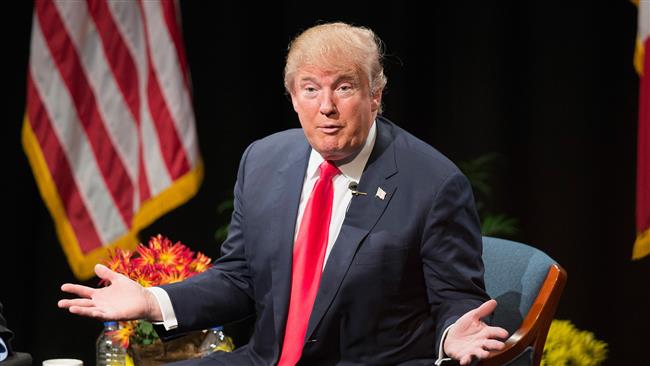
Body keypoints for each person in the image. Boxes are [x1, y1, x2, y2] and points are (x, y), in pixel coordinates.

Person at [59, 22, 508, 365]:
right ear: (293, 97)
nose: (326, 107)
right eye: (310, 89)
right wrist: (152, 301)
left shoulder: (432, 183)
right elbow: (239, 277)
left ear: (376, 96)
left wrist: (453, 334)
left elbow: (454, 298)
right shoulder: (263, 161)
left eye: (344, 88)